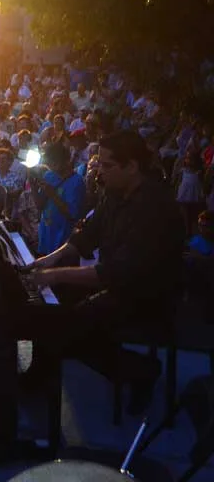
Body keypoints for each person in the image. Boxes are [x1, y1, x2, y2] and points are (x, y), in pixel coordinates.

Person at [25, 130, 185, 414]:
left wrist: (55, 274)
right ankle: (41, 372)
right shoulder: (115, 193)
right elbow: (89, 234)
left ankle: (140, 370)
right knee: (48, 307)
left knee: (68, 325)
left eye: (106, 165)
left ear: (131, 166)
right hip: (120, 283)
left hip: (147, 296)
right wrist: (50, 260)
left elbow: (116, 273)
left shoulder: (154, 208)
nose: (98, 171)